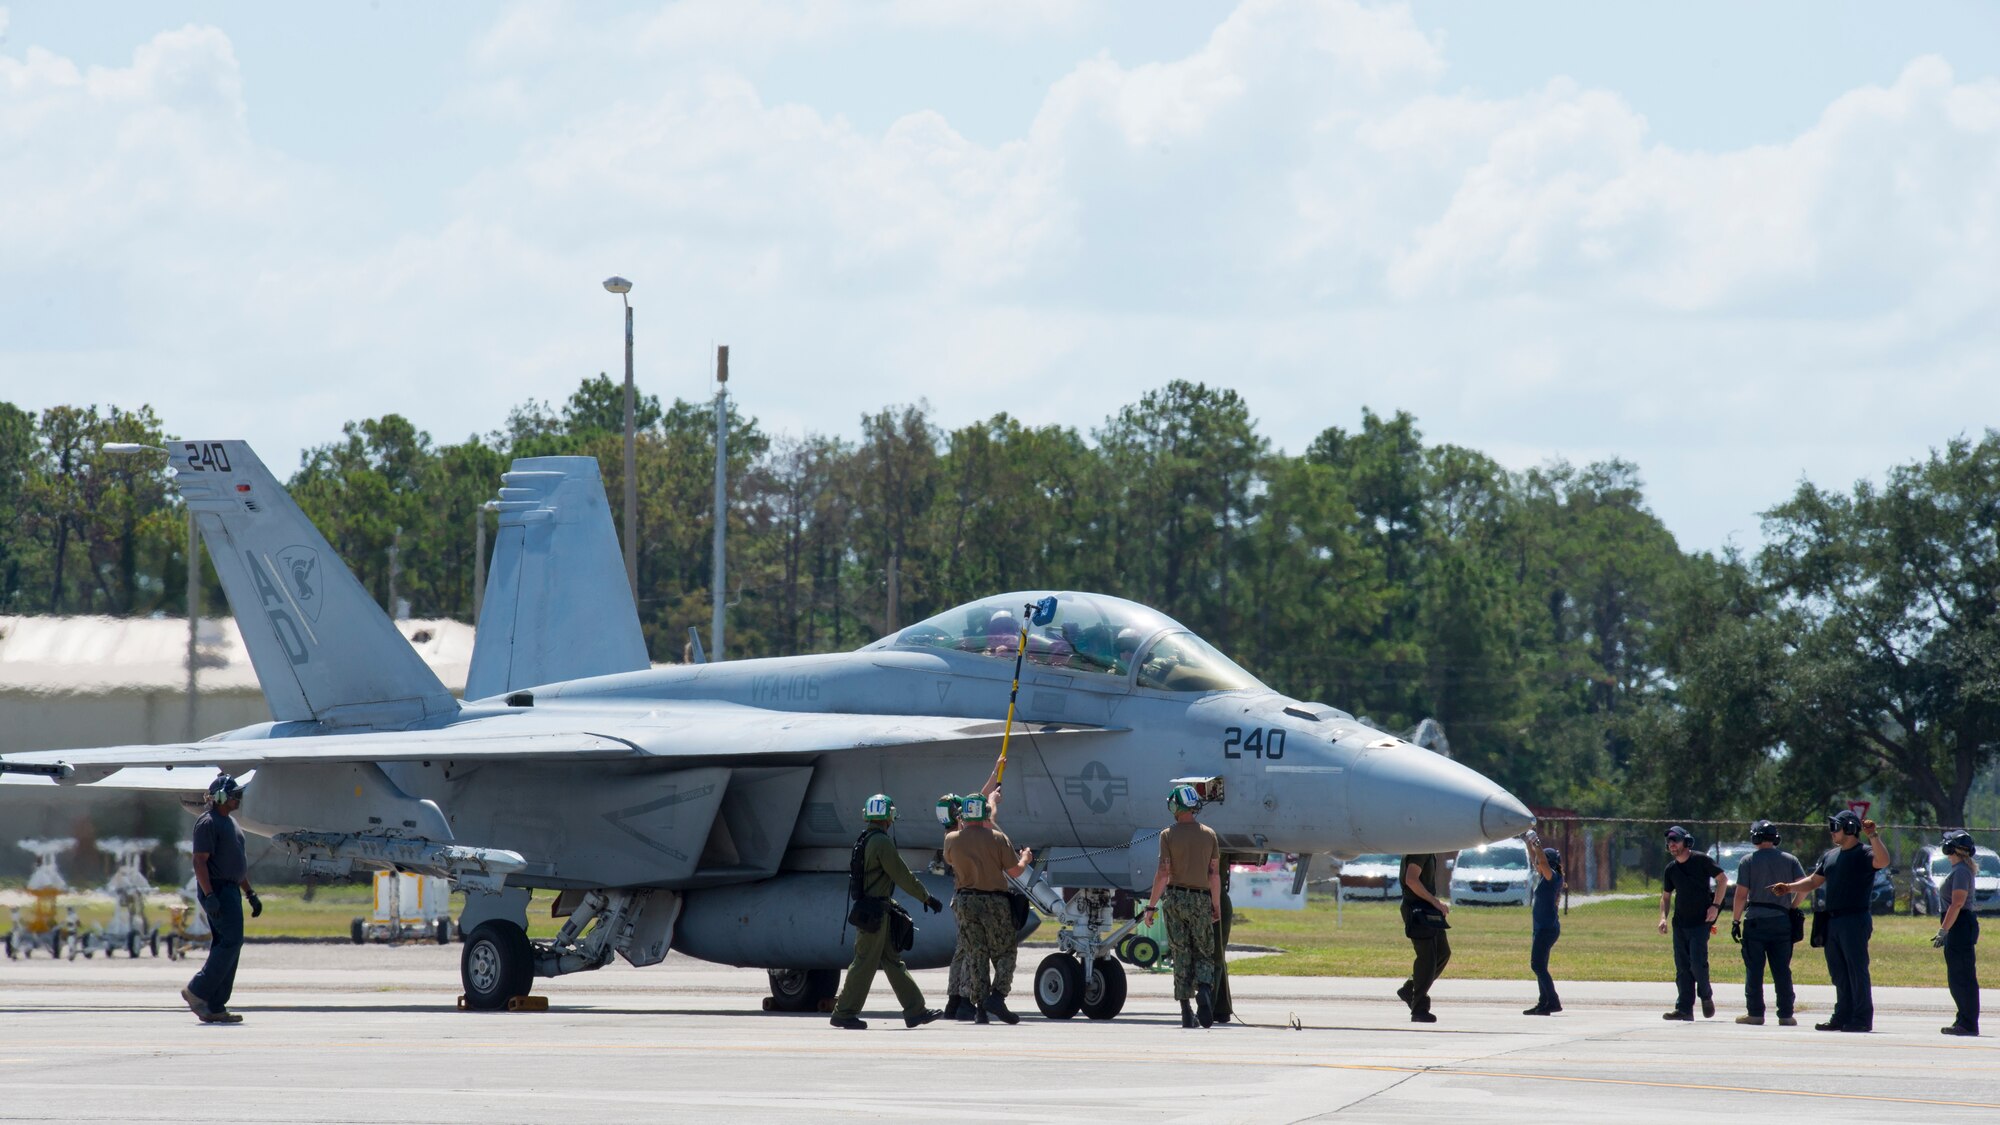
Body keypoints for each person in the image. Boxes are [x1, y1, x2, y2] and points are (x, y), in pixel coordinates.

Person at [829, 793, 945, 1030]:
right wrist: (927, 897)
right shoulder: (881, 842)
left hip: (875, 911)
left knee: (892, 960)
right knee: (863, 962)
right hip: (875, 914)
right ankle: (843, 1012)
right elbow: (901, 874)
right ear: (888, 817)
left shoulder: (866, 838)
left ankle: (915, 1010)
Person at [1770, 810, 1891, 1032]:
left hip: (1854, 919)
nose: (1832, 832)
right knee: (1838, 972)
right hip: (1832, 920)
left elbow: (1883, 861)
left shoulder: (1864, 853)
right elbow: (1814, 881)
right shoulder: (1830, 856)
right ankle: (1842, 1015)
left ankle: (1861, 1018)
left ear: (1850, 828)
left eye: (1836, 827)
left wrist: (1873, 836)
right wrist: (1789, 887)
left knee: (1856, 969)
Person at [942, 791, 1032, 1025]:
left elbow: (950, 860)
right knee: (1005, 952)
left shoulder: (952, 839)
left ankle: (981, 1008)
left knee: (976, 954)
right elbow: (1015, 872)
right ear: (984, 813)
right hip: (994, 902)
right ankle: (998, 997)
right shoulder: (997, 838)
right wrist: (1025, 859)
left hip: (964, 902)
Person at [181, 774, 261, 1025]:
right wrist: (210, 895)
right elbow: (199, 861)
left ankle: (215, 1005)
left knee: (229, 944)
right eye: (233, 793)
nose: (238, 797)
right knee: (231, 942)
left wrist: (250, 893)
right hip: (217, 890)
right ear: (220, 796)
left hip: (231, 890)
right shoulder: (208, 822)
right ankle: (198, 990)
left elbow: (236, 866)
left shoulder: (231, 824)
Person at [1142, 784, 1222, 1028]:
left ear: (1175, 806)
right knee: (1204, 951)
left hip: (1176, 899)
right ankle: (1205, 990)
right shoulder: (1209, 834)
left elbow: (1163, 873)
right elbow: (1214, 874)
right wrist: (1215, 904)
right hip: (1201, 899)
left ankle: (1186, 1011)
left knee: (1181, 953)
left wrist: (1151, 906)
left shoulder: (1167, 835)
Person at [1731, 819, 1805, 1026]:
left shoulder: (1748, 861)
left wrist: (1735, 921)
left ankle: (1755, 1013)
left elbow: (1740, 895)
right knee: (1782, 969)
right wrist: (1791, 906)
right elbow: (1804, 887)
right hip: (1781, 921)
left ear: (1755, 837)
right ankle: (1786, 1014)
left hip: (1755, 921)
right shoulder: (1790, 859)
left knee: (1754, 969)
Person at [1657, 825, 1728, 1021]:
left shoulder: (1701, 861)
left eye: (1675, 841)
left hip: (1700, 922)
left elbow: (1722, 880)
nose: (1672, 845)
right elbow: (1665, 896)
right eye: (1669, 842)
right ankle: (1684, 1009)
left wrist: (1715, 905)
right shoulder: (1670, 869)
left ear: (1686, 842)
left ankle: (1706, 996)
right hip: (1680, 923)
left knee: (1697, 963)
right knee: (1682, 967)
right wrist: (1662, 917)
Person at [1396, 852, 1451, 1023]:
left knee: (1442, 953)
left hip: (1427, 909)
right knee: (1427, 958)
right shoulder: (1421, 848)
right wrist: (1435, 901)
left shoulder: (1427, 847)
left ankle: (1410, 989)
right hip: (1417, 909)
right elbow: (1411, 879)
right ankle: (1419, 1008)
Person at [1935, 830, 1981, 1036]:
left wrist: (1943, 930)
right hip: (1957, 923)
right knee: (1957, 976)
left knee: (1962, 976)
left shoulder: (1961, 871)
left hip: (1959, 924)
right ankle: (1963, 1019)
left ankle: (1968, 1023)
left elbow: (1958, 903)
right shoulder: (1960, 869)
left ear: (1951, 848)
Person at [1522, 830, 1563, 1015]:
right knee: (1540, 966)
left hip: (1546, 929)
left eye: (1541, 861)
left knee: (1537, 965)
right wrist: (1528, 843)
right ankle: (1544, 1003)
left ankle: (1552, 1001)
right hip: (1542, 928)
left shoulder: (1551, 877)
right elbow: (1536, 860)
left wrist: (1536, 843)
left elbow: (1542, 862)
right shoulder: (1546, 879)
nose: (1537, 864)